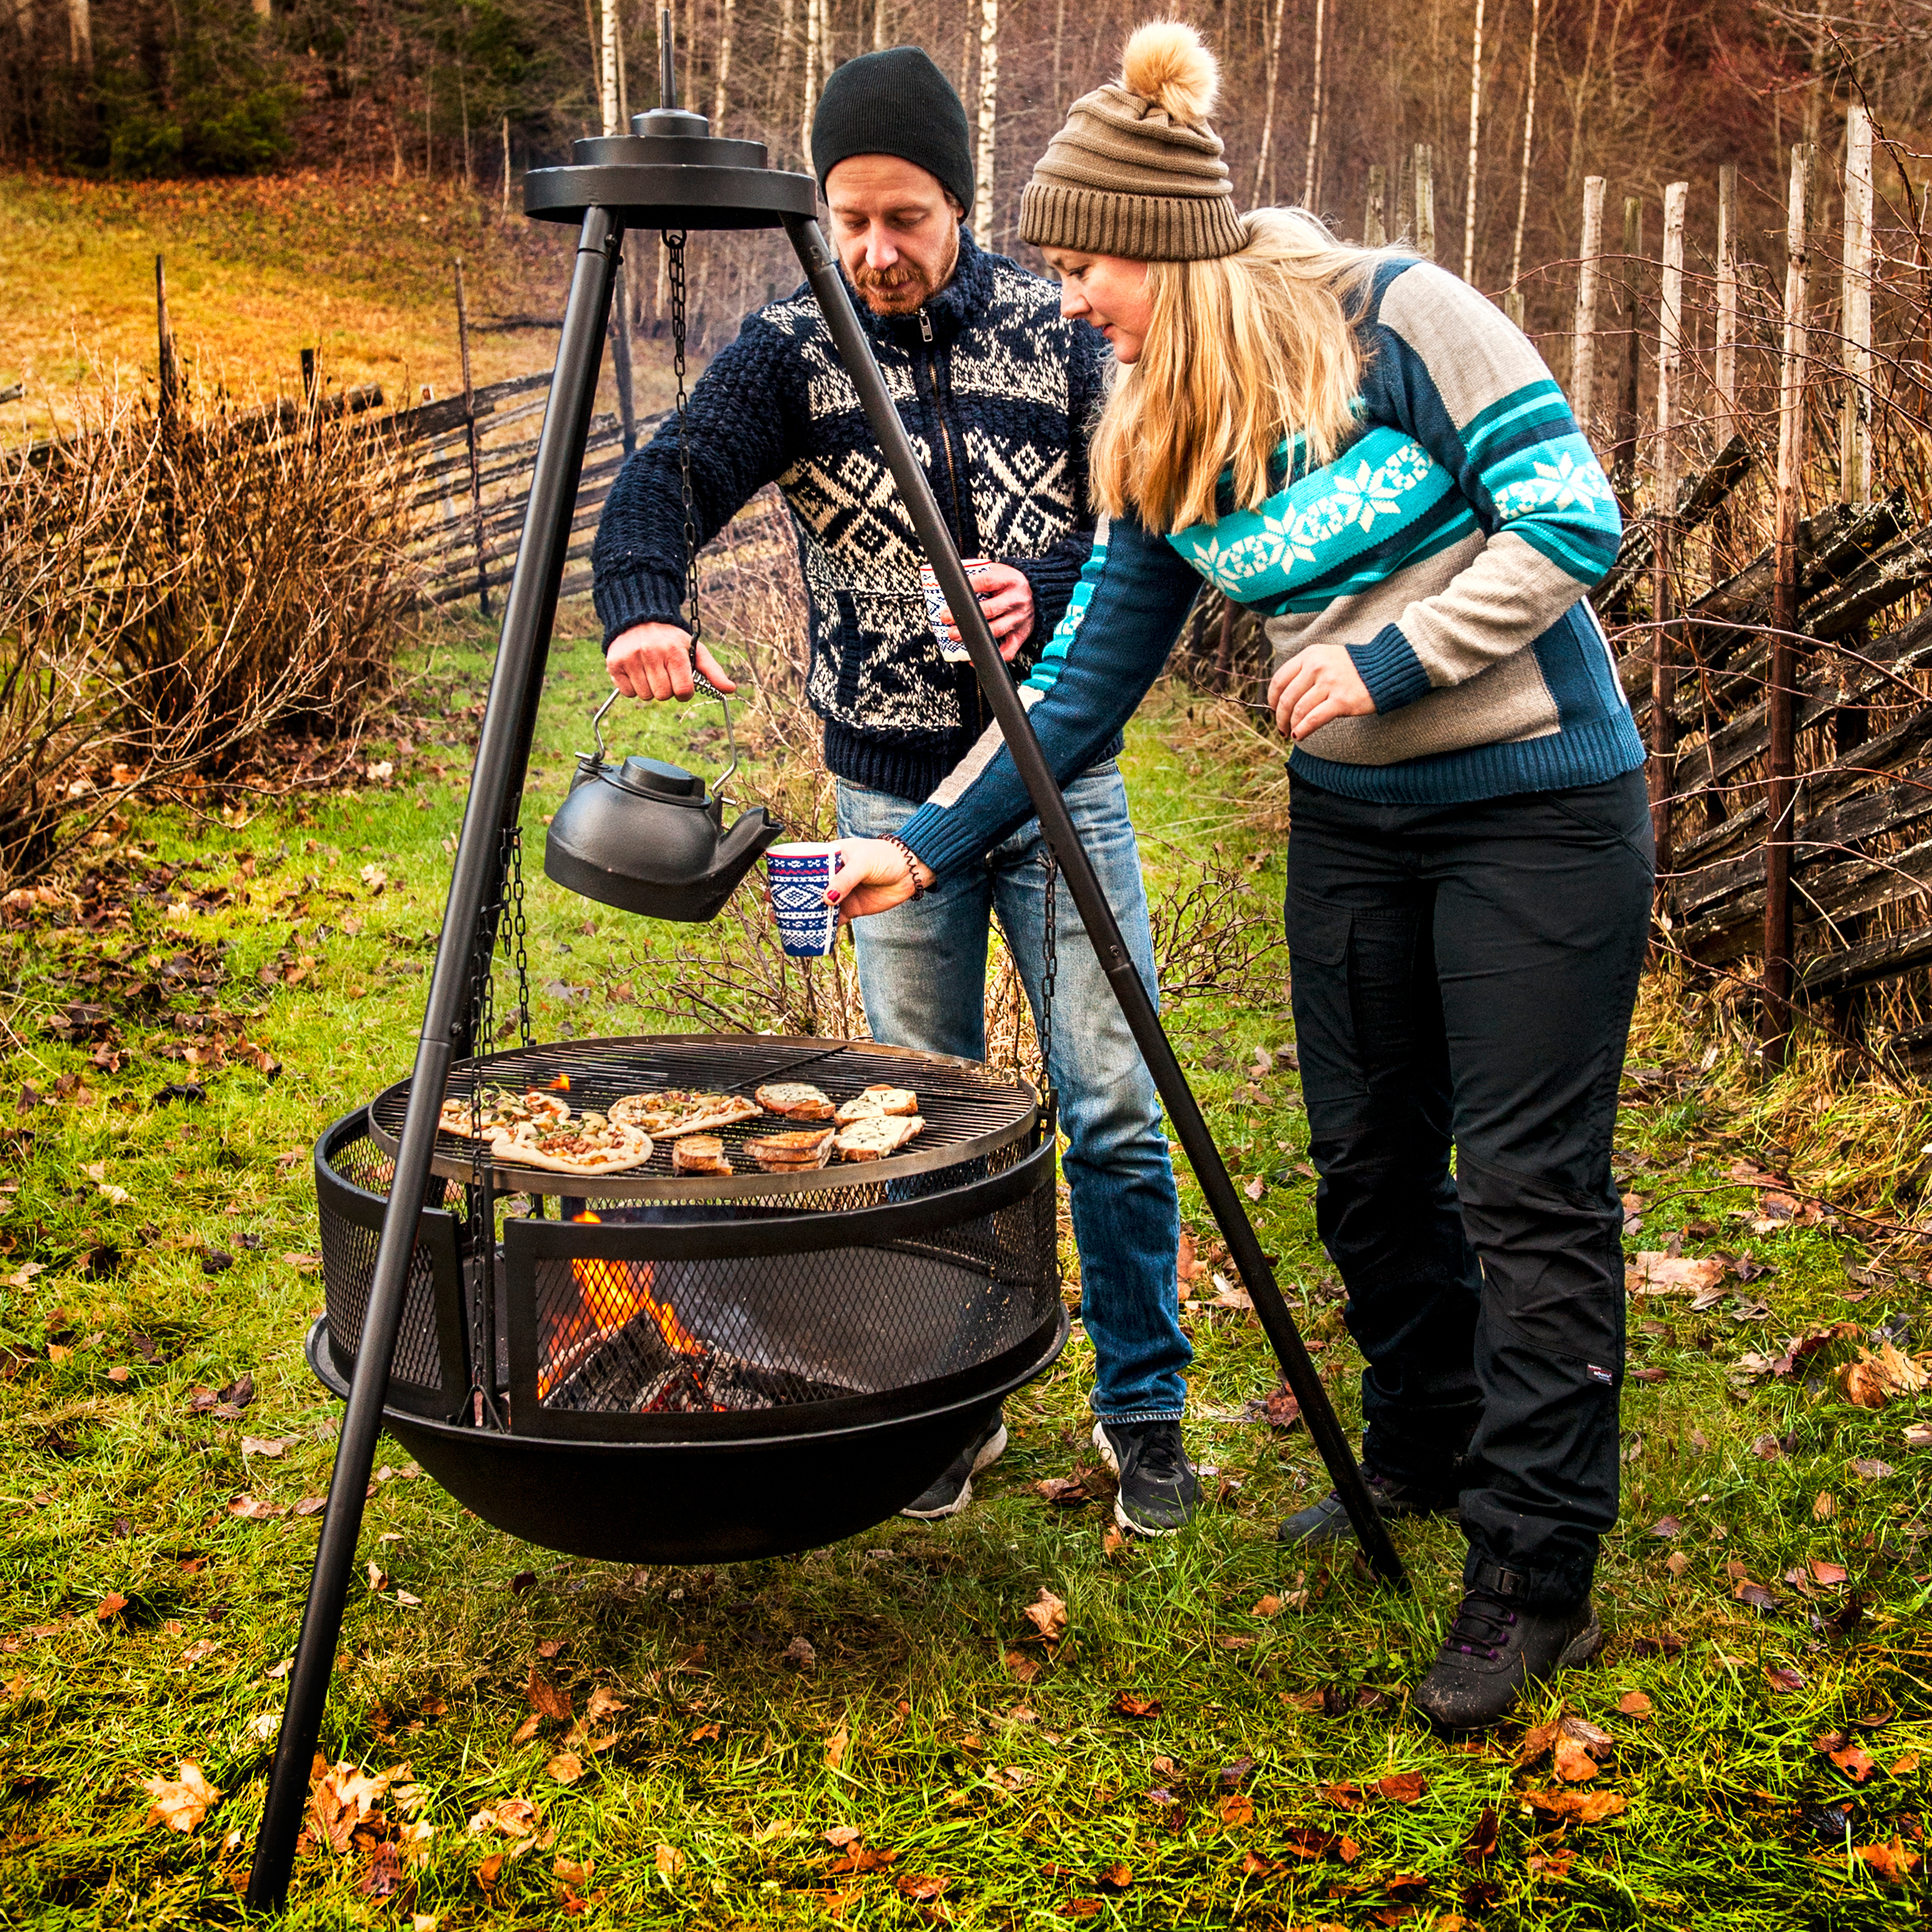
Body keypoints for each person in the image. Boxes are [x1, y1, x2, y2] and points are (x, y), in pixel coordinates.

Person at [830, 20, 1649, 1730]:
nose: (1069, 301)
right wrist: (919, 845)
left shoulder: (1397, 317)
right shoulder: (1161, 431)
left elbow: (1574, 518)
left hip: (1538, 807)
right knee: (1363, 1173)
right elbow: (1072, 696)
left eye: (1085, 265)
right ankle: (1426, 1450)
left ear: (1171, 248)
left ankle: (1535, 1571)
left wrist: (1395, 657)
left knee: (1523, 1188)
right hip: (1358, 826)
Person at [590, 46, 1198, 1535]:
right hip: (881, 806)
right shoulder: (790, 348)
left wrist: (1041, 588)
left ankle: (1147, 1416)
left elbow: (1135, 533)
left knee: (1112, 1105)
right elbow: (666, 475)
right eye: (850, 218)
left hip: (1060, 784)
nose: (877, 251)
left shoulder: (1064, 334)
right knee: (916, 1129)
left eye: (906, 218)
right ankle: (949, 1405)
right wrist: (643, 604)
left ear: (959, 204)